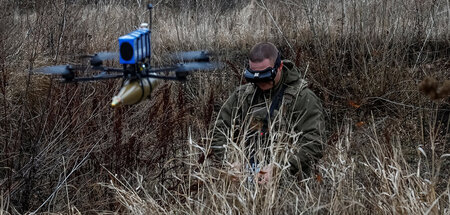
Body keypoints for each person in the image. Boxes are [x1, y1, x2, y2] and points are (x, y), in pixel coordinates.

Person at [211, 42, 325, 183]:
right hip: (244, 182)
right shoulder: (243, 96)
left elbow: (315, 142)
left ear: (280, 67)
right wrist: (230, 161)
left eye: (266, 76)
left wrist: (281, 168)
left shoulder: (303, 98)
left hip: (290, 184)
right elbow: (219, 130)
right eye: (255, 77)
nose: (261, 82)